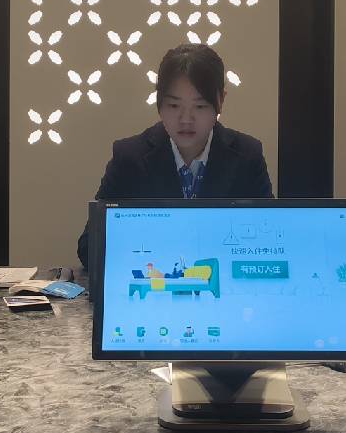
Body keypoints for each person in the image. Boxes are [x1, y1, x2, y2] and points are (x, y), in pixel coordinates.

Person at [77, 43, 274, 270]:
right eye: (174, 105)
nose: (186, 119)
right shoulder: (130, 157)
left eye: (200, 106)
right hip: (155, 280)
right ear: (158, 102)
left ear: (221, 101)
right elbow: (89, 248)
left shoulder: (247, 155)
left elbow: (268, 238)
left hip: (222, 283)